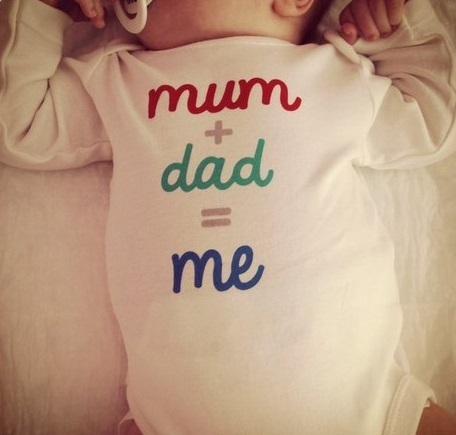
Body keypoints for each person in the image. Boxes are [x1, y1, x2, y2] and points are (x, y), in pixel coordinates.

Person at [0, 0, 455, 433]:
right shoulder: (118, 79)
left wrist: (390, 21)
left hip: (366, 406)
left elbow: (435, 115)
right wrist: (46, 11)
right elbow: (20, 125)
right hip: (173, 419)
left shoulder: (333, 73)